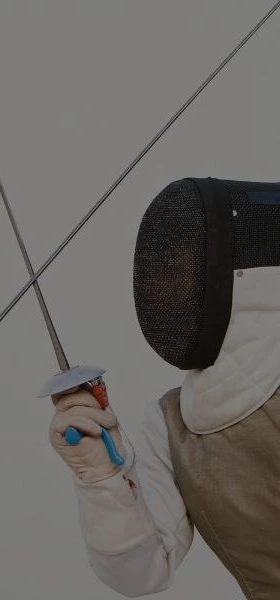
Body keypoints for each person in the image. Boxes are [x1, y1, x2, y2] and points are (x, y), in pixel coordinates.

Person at [48, 177, 280, 599]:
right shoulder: (175, 423)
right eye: (162, 267)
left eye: (184, 265)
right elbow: (139, 574)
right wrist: (101, 478)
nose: (164, 283)